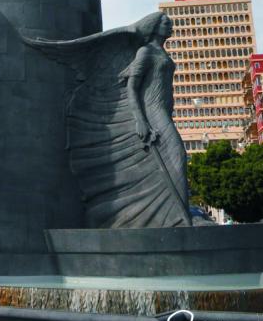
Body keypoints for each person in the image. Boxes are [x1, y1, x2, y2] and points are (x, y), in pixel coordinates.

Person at [25, 12, 191, 228]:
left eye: (171, 23)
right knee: (178, 155)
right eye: (165, 22)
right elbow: (131, 87)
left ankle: (177, 216)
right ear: (154, 27)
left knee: (173, 159)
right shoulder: (145, 52)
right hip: (153, 111)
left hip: (164, 109)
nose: (170, 26)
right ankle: (180, 218)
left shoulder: (163, 54)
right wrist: (140, 120)